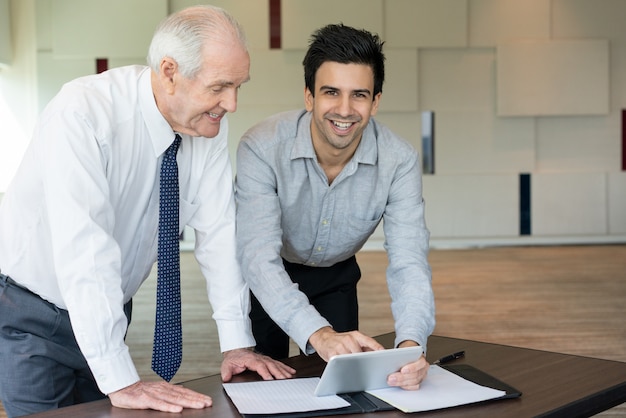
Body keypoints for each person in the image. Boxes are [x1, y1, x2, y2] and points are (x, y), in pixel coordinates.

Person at [0, 5, 294, 418]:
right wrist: (121, 379)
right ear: (170, 71)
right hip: (33, 316)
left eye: (238, 86)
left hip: (110, 311)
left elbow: (220, 234)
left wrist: (236, 343)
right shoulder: (81, 114)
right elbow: (85, 251)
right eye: (220, 87)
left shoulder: (204, 124)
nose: (231, 103)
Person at [235, 23, 435, 391]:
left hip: (336, 274)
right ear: (309, 96)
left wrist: (411, 345)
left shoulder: (399, 160)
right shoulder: (261, 147)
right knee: (260, 387)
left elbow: (409, 262)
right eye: (331, 92)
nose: (345, 110)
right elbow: (257, 256)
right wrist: (318, 333)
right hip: (268, 276)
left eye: (359, 95)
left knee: (343, 388)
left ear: (375, 102)